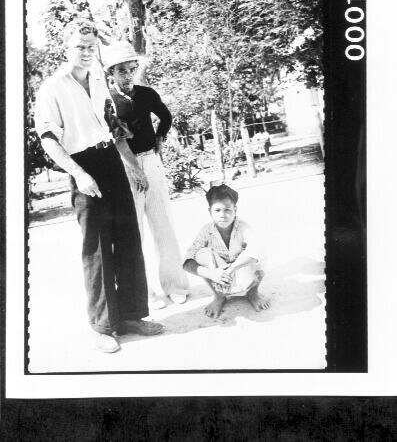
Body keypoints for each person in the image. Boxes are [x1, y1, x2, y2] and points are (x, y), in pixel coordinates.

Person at [34, 18, 164, 353]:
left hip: (111, 162)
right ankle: (104, 326)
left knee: (128, 238)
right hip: (82, 166)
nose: (88, 52)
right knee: (96, 248)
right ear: (66, 47)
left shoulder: (98, 80)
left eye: (92, 47)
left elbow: (114, 126)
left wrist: (133, 167)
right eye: (80, 46)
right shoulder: (52, 88)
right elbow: (49, 140)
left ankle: (133, 314)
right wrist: (79, 174)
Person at [104, 40, 190, 309]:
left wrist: (160, 140)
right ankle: (148, 294)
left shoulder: (146, 93)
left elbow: (165, 116)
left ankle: (175, 285)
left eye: (131, 69)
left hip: (151, 162)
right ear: (112, 73)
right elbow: (118, 140)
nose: (128, 75)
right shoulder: (108, 101)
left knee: (163, 224)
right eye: (122, 71)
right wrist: (133, 169)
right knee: (134, 232)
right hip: (126, 168)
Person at [183, 184, 270, 319]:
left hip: (240, 270)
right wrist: (212, 274)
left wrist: (231, 269)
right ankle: (219, 297)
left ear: (235, 210)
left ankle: (253, 293)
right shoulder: (206, 230)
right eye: (217, 210)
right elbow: (187, 261)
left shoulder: (243, 227)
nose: (223, 215)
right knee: (201, 254)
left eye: (227, 210)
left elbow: (257, 250)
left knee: (260, 251)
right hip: (219, 275)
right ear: (209, 211)